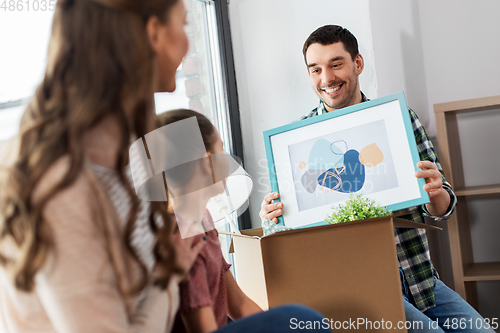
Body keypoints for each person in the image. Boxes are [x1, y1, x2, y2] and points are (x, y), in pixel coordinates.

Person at [259, 25, 494, 333]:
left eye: (336, 64)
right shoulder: (297, 142)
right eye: (315, 69)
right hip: (364, 292)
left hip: (420, 281)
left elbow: (443, 208)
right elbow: (289, 236)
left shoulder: (398, 120)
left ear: (358, 64)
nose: (326, 78)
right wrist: (271, 219)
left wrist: (436, 191)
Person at [157, 109, 329, 333]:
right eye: (221, 149)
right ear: (207, 162)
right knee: (302, 320)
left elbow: (238, 303)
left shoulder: (204, 220)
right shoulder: (185, 239)